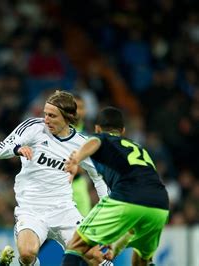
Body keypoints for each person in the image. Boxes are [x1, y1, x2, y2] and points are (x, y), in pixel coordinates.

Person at [0, 90, 109, 265]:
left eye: (52, 116)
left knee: (95, 256)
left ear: (68, 118)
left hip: (64, 210)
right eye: (45, 114)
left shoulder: (82, 143)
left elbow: (99, 176)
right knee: (26, 254)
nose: (46, 119)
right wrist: (17, 150)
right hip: (32, 209)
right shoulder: (33, 127)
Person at [61, 107, 169, 266]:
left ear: (97, 128)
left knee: (76, 245)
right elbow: (133, 224)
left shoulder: (103, 138)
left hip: (127, 196)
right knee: (142, 261)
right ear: (123, 130)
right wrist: (116, 248)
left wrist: (77, 158)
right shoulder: (139, 148)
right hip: (160, 205)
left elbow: (96, 141)